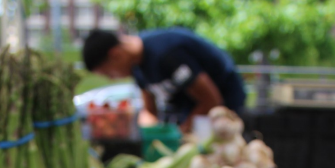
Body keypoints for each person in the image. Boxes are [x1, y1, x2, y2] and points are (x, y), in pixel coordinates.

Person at [82, 27, 246, 132]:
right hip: (192, 117)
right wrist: (147, 133)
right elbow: (149, 110)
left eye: (108, 73)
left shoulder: (166, 54)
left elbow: (211, 100)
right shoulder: (137, 67)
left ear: (115, 55)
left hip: (225, 113)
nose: (111, 79)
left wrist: (180, 133)